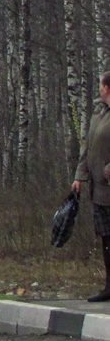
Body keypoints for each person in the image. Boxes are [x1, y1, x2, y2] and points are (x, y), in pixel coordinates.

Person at [72, 71, 110, 302]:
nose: (98, 88)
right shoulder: (99, 113)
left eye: (100, 85)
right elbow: (88, 148)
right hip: (100, 189)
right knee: (107, 238)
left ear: (106, 87)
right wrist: (80, 176)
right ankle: (109, 287)